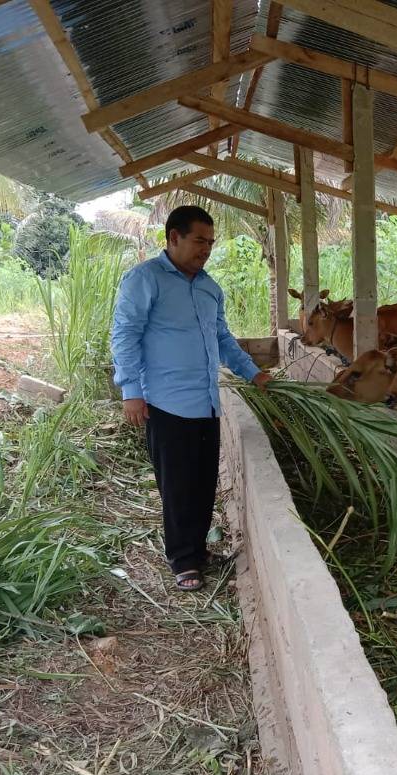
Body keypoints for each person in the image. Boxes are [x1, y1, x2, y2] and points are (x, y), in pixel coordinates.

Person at [111, 205, 271, 592]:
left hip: (206, 402)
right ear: (173, 238)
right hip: (167, 403)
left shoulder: (209, 288)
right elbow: (124, 335)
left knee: (202, 481)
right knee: (178, 485)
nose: (207, 249)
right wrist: (130, 391)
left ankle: (198, 551)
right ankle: (182, 559)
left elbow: (222, 339)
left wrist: (253, 373)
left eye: (211, 242)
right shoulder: (144, 279)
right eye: (199, 240)